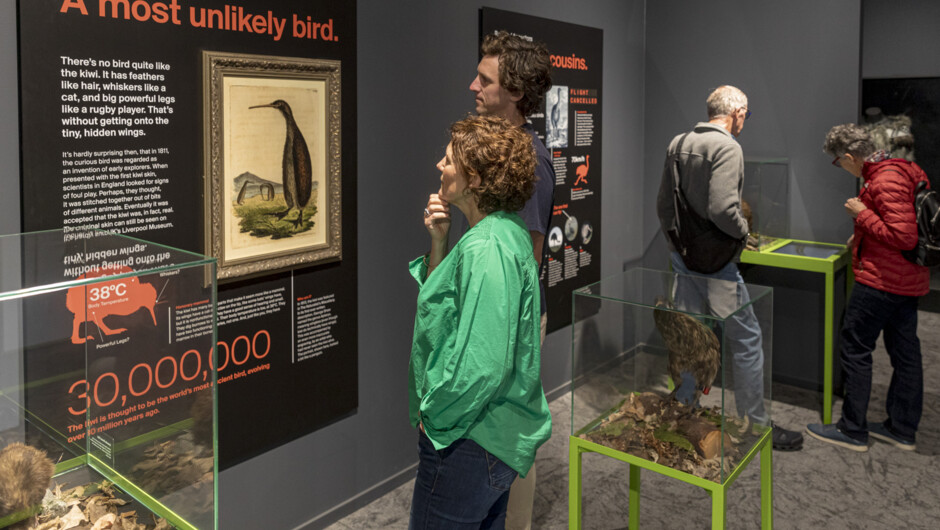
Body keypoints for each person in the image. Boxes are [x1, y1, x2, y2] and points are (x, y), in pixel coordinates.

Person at [408, 115, 552, 529]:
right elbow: (444, 314)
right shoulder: (501, 231)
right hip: (491, 439)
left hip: (469, 440)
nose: (440, 165)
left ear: (474, 179)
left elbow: (484, 365)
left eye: (449, 159)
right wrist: (439, 241)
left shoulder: (488, 248)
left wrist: (434, 415)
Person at [655, 85, 804, 451]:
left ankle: (686, 406)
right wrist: (743, 232)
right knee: (747, 340)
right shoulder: (728, 147)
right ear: (736, 112)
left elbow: (663, 205)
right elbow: (724, 209)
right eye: (746, 115)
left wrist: (678, 245)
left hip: (684, 257)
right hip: (717, 264)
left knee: (691, 335)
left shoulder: (678, 143)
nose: (744, 122)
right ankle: (756, 424)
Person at [467, 30, 555, 529]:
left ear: (516, 92)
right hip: (489, 309)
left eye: (485, 79)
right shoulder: (496, 149)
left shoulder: (532, 162)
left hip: (512, 317)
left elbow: (529, 259)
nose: (472, 86)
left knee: (512, 431)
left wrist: (505, 331)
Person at [806, 124, 930, 452]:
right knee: (906, 353)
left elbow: (904, 237)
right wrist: (861, 235)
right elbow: (898, 224)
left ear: (849, 157)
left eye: (839, 162)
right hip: (906, 280)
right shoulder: (902, 168)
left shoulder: (884, 177)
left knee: (855, 348)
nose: (841, 168)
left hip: (881, 281)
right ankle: (901, 428)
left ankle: (852, 430)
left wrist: (861, 217)